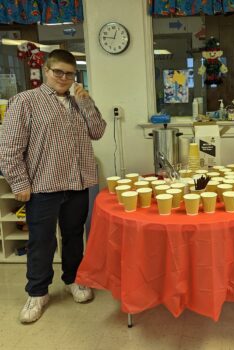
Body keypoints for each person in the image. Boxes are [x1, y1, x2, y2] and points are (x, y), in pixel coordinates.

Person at [0, 49, 106, 323]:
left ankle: (74, 279)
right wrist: (19, 182)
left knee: (74, 236)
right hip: (42, 186)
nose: (63, 77)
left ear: (74, 76)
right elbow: (8, 148)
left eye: (69, 73)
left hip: (78, 183)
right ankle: (37, 292)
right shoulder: (24, 101)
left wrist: (88, 104)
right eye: (58, 71)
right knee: (41, 242)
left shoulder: (79, 102)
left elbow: (98, 132)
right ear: (46, 71)